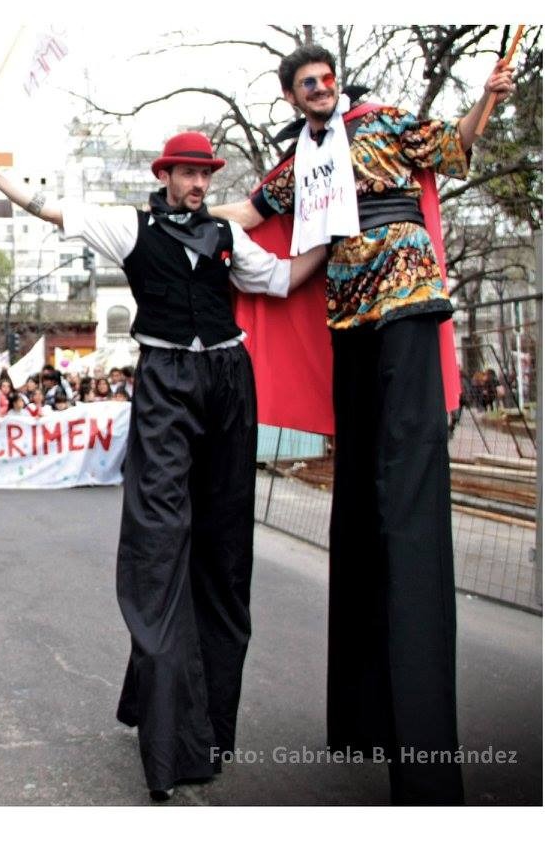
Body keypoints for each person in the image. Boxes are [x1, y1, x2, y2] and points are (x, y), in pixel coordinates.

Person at [0, 126, 327, 801]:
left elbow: (280, 279)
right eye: (184, 172)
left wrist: (331, 233)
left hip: (227, 379)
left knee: (220, 550)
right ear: (163, 174)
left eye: (202, 173)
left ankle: (210, 721)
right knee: (158, 543)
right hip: (164, 381)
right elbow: (48, 207)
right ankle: (168, 739)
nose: (194, 182)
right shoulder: (128, 226)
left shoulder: (225, 237)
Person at [209, 45, 515, 806]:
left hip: (406, 292)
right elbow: (250, 214)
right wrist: (182, 213)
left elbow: (453, 145)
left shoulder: (377, 122)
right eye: (306, 84)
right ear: (289, 97)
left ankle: (420, 754)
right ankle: (362, 710)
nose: (320, 89)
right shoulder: (294, 163)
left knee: (404, 482)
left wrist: (486, 97)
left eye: (326, 79)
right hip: (345, 311)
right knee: (361, 494)